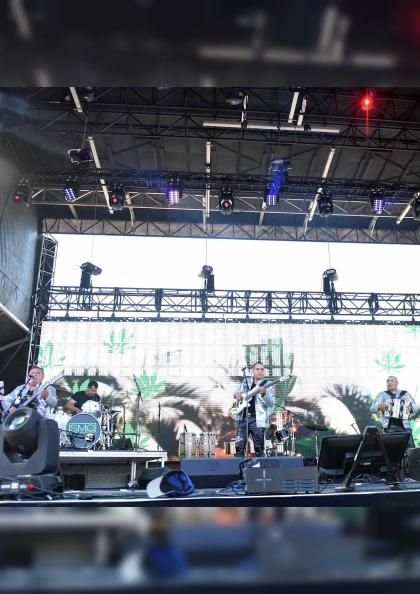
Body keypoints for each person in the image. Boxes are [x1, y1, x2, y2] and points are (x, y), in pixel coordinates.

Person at [234, 362, 275, 457]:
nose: (260, 371)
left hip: (258, 420)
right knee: (239, 447)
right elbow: (237, 392)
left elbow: (271, 403)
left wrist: (264, 394)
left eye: (262, 369)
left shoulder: (269, 384)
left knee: (259, 448)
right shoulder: (246, 381)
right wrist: (236, 394)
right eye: (257, 369)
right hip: (243, 418)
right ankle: (239, 466)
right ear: (253, 371)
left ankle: (259, 466)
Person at [370, 375, 417, 448]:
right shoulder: (381, 395)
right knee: (392, 449)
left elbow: (415, 408)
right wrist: (378, 406)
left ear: (397, 383)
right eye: (388, 381)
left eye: (392, 380)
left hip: (405, 427)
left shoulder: (405, 393)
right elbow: (372, 409)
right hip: (389, 427)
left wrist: (410, 408)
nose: (389, 382)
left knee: (410, 449)